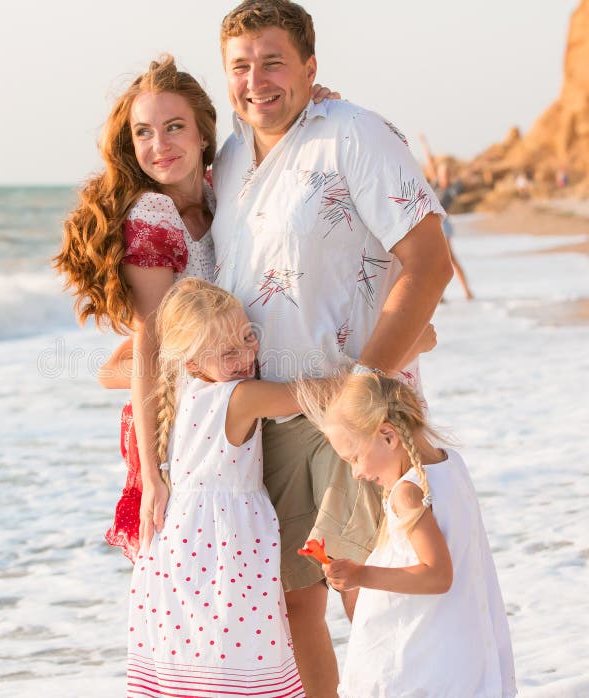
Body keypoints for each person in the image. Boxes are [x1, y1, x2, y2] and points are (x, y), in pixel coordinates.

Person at [203, 2, 454, 694]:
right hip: (271, 419)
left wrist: (361, 391)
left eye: (274, 61)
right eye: (241, 67)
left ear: (312, 69)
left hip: (352, 413)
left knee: (373, 603)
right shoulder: (227, 163)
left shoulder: (355, 134)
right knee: (294, 604)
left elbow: (429, 261)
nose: (257, 80)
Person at [55, 56, 334, 563]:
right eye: (144, 133)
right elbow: (148, 343)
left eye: (174, 127)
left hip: (228, 412)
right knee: (205, 585)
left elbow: (268, 143)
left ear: (204, 134)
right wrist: (154, 472)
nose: (159, 146)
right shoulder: (154, 214)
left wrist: (310, 110)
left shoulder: (219, 189)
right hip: (185, 430)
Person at [127, 277, 306, 695]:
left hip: (182, 551)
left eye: (249, 336)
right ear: (190, 361)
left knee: (195, 673)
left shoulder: (185, 385)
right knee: (237, 668)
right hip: (224, 555)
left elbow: (122, 367)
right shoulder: (241, 396)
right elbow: (315, 394)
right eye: (229, 352)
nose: (246, 356)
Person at [303, 373, 517, 698]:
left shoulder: (408, 493)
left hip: (422, 654)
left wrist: (361, 574)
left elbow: (438, 576)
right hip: (460, 641)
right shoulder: (451, 464)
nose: (357, 472)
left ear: (388, 436)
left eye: (354, 458)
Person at [420, 133, 475, 300]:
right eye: (441, 173)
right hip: (432, 225)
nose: (443, 176)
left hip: (444, 225)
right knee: (437, 260)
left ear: (449, 175)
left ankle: (466, 291)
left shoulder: (453, 188)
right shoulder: (435, 183)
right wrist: (424, 144)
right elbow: (430, 163)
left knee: (449, 259)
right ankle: (441, 296)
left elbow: (467, 177)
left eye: (446, 173)